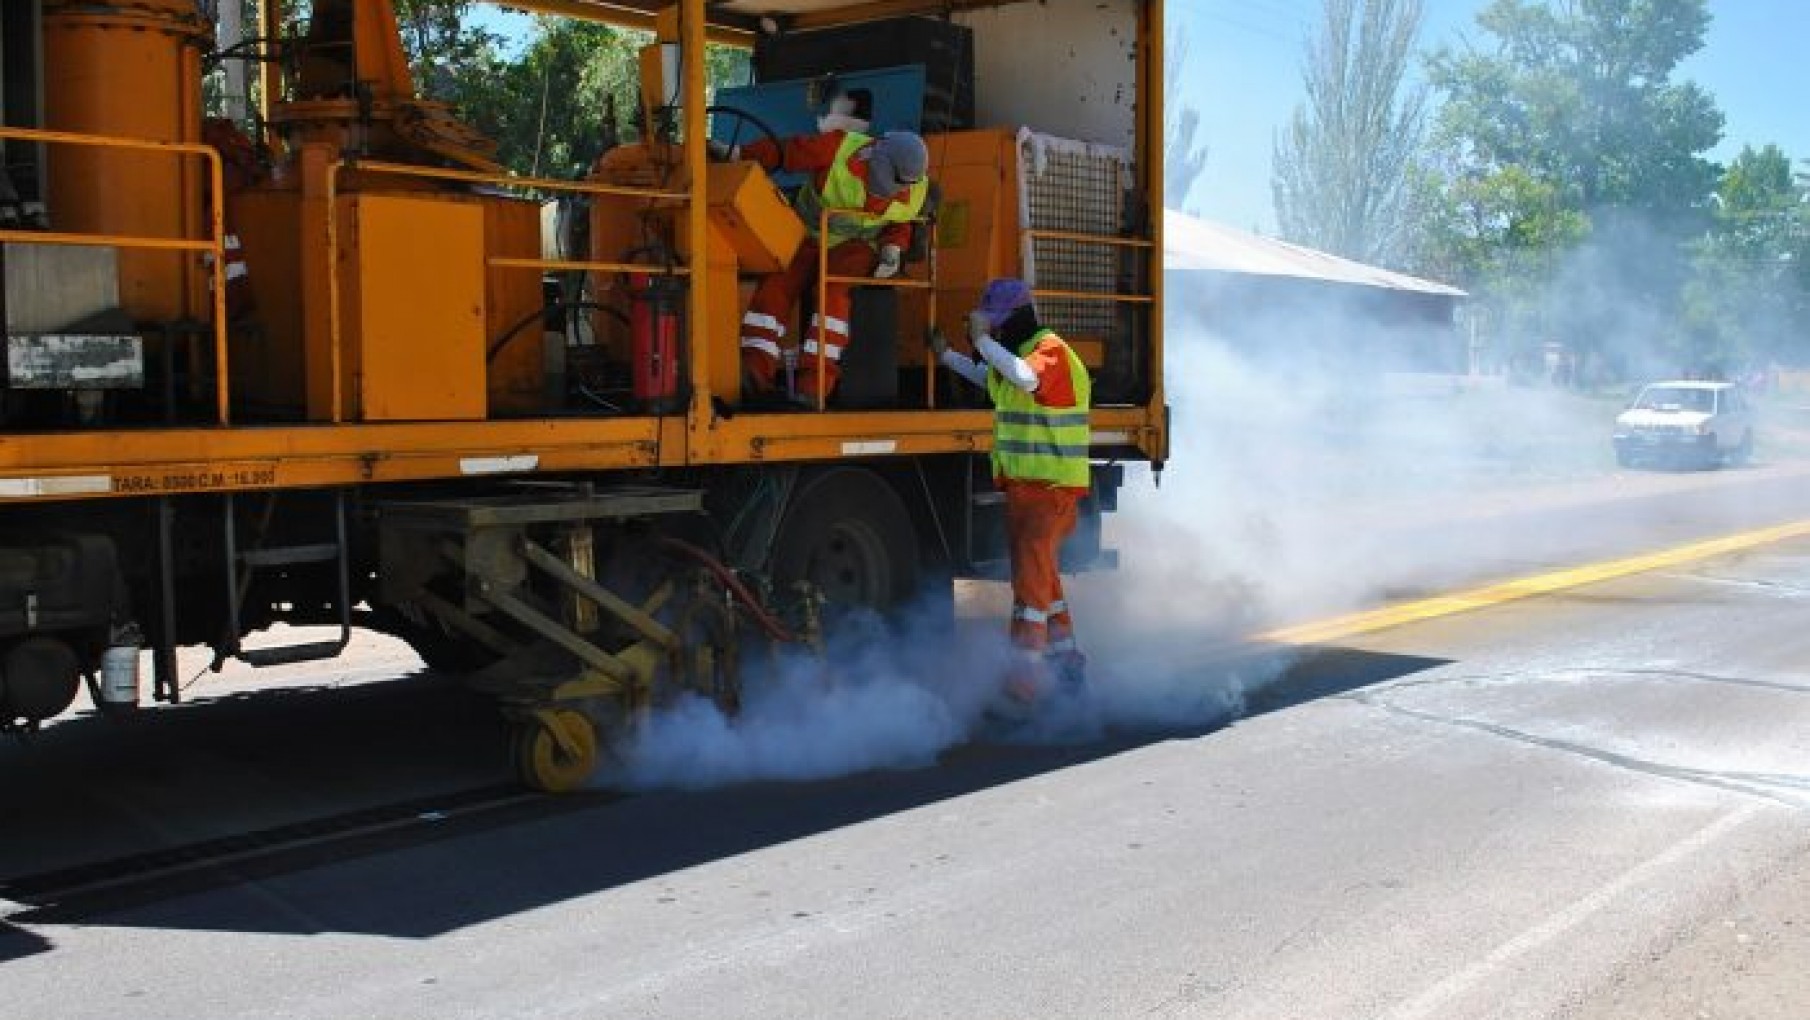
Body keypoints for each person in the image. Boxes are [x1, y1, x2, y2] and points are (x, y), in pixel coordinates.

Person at [932, 278, 1091, 704]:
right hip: (1026, 492)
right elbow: (993, 379)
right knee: (1044, 582)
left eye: (999, 324)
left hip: (1052, 493)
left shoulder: (1050, 352)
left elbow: (1022, 378)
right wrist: (947, 355)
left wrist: (982, 341)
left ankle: (1024, 683)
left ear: (1018, 318)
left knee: (1030, 589)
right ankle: (1067, 664)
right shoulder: (1020, 355)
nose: (996, 331)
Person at [732, 128, 931, 407]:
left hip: (855, 247)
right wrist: (739, 154)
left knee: (833, 293)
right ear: (876, 156)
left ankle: (813, 387)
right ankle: (752, 372)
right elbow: (787, 151)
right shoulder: (838, 148)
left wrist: (892, 249)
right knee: (776, 286)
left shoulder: (917, 189)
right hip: (805, 235)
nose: (895, 189)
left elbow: (900, 223)